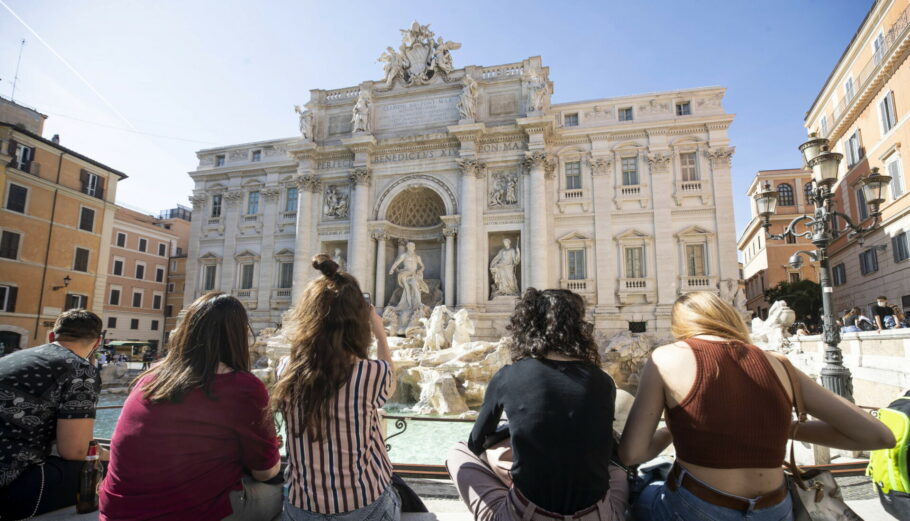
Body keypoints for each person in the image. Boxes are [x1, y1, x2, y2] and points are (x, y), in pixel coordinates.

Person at [620, 291, 895, 521]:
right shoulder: (779, 363)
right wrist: (784, 429)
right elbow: (878, 436)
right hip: (774, 509)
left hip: (699, 505)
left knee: (641, 492)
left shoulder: (666, 357)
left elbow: (632, 454)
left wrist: (673, 427)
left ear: (679, 326)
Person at [447, 288, 628, 521]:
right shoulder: (602, 381)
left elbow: (476, 442)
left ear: (527, 326)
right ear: (578, 328)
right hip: (597, 515)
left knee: (458, 452)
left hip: (527, 515)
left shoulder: (508, 376)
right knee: (618, 473)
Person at [99, 293, 281, 521]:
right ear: (238, 334)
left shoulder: (151, 377)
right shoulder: (243, 387)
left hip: (116, 511)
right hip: (185, 513)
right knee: (285, 493)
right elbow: (265, 472)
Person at [272, 254, 399, 521]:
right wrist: (381, 335)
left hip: (301, 508)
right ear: (358, 321)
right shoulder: (372, 373)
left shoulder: (285, 368)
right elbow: (389, 379)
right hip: (364, 507)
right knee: (398, 491)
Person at [0, 309, 106, 518]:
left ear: (51, 336)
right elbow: (75, 451)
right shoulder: (80, 370)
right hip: (10, 484)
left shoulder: (10, 359)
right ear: (97, 343)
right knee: (108, 468)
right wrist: (110, 455)